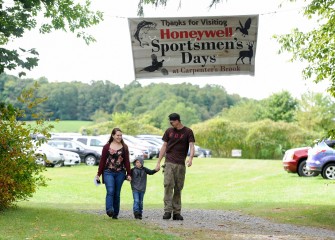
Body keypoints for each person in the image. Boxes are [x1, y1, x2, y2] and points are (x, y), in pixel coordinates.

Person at [155, 113, 195, 221]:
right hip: (169, 162)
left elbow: (191, 146)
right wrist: (159, 161)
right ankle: (167, 211)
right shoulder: (169, 131)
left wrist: (191, 158)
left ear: (178, 121)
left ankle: (177, 212)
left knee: (178, 187)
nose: (171, 123)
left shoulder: (188, 132)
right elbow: (164, 146)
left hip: (180, 164)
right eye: (170, 121)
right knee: (168, 184)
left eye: (172, 121)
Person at [96, 128, 131, 219]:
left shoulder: (125, 147)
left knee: (117, 193)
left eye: (120, 135)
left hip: (120, 173)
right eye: (117, 135)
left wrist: (129, 174)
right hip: (108, 172)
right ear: (113, 135)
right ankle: (109, 210)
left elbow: (127, 161)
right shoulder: (107, 147)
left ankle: (115, 213)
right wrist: (98, 174)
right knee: (110, 191)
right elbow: (102, 161)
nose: (119, 137)